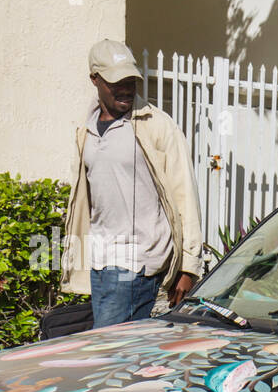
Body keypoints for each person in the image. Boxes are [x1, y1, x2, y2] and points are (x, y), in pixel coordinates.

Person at [61, 40, 202, 326]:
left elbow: (185, 195)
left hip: (137, 261)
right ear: (95, 80)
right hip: (99, 260)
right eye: (116, 82)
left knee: (108, 354)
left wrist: (189, 266)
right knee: (121, 356)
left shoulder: (156, 125)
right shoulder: (85, 129)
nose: (125, 88)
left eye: (130, 80)